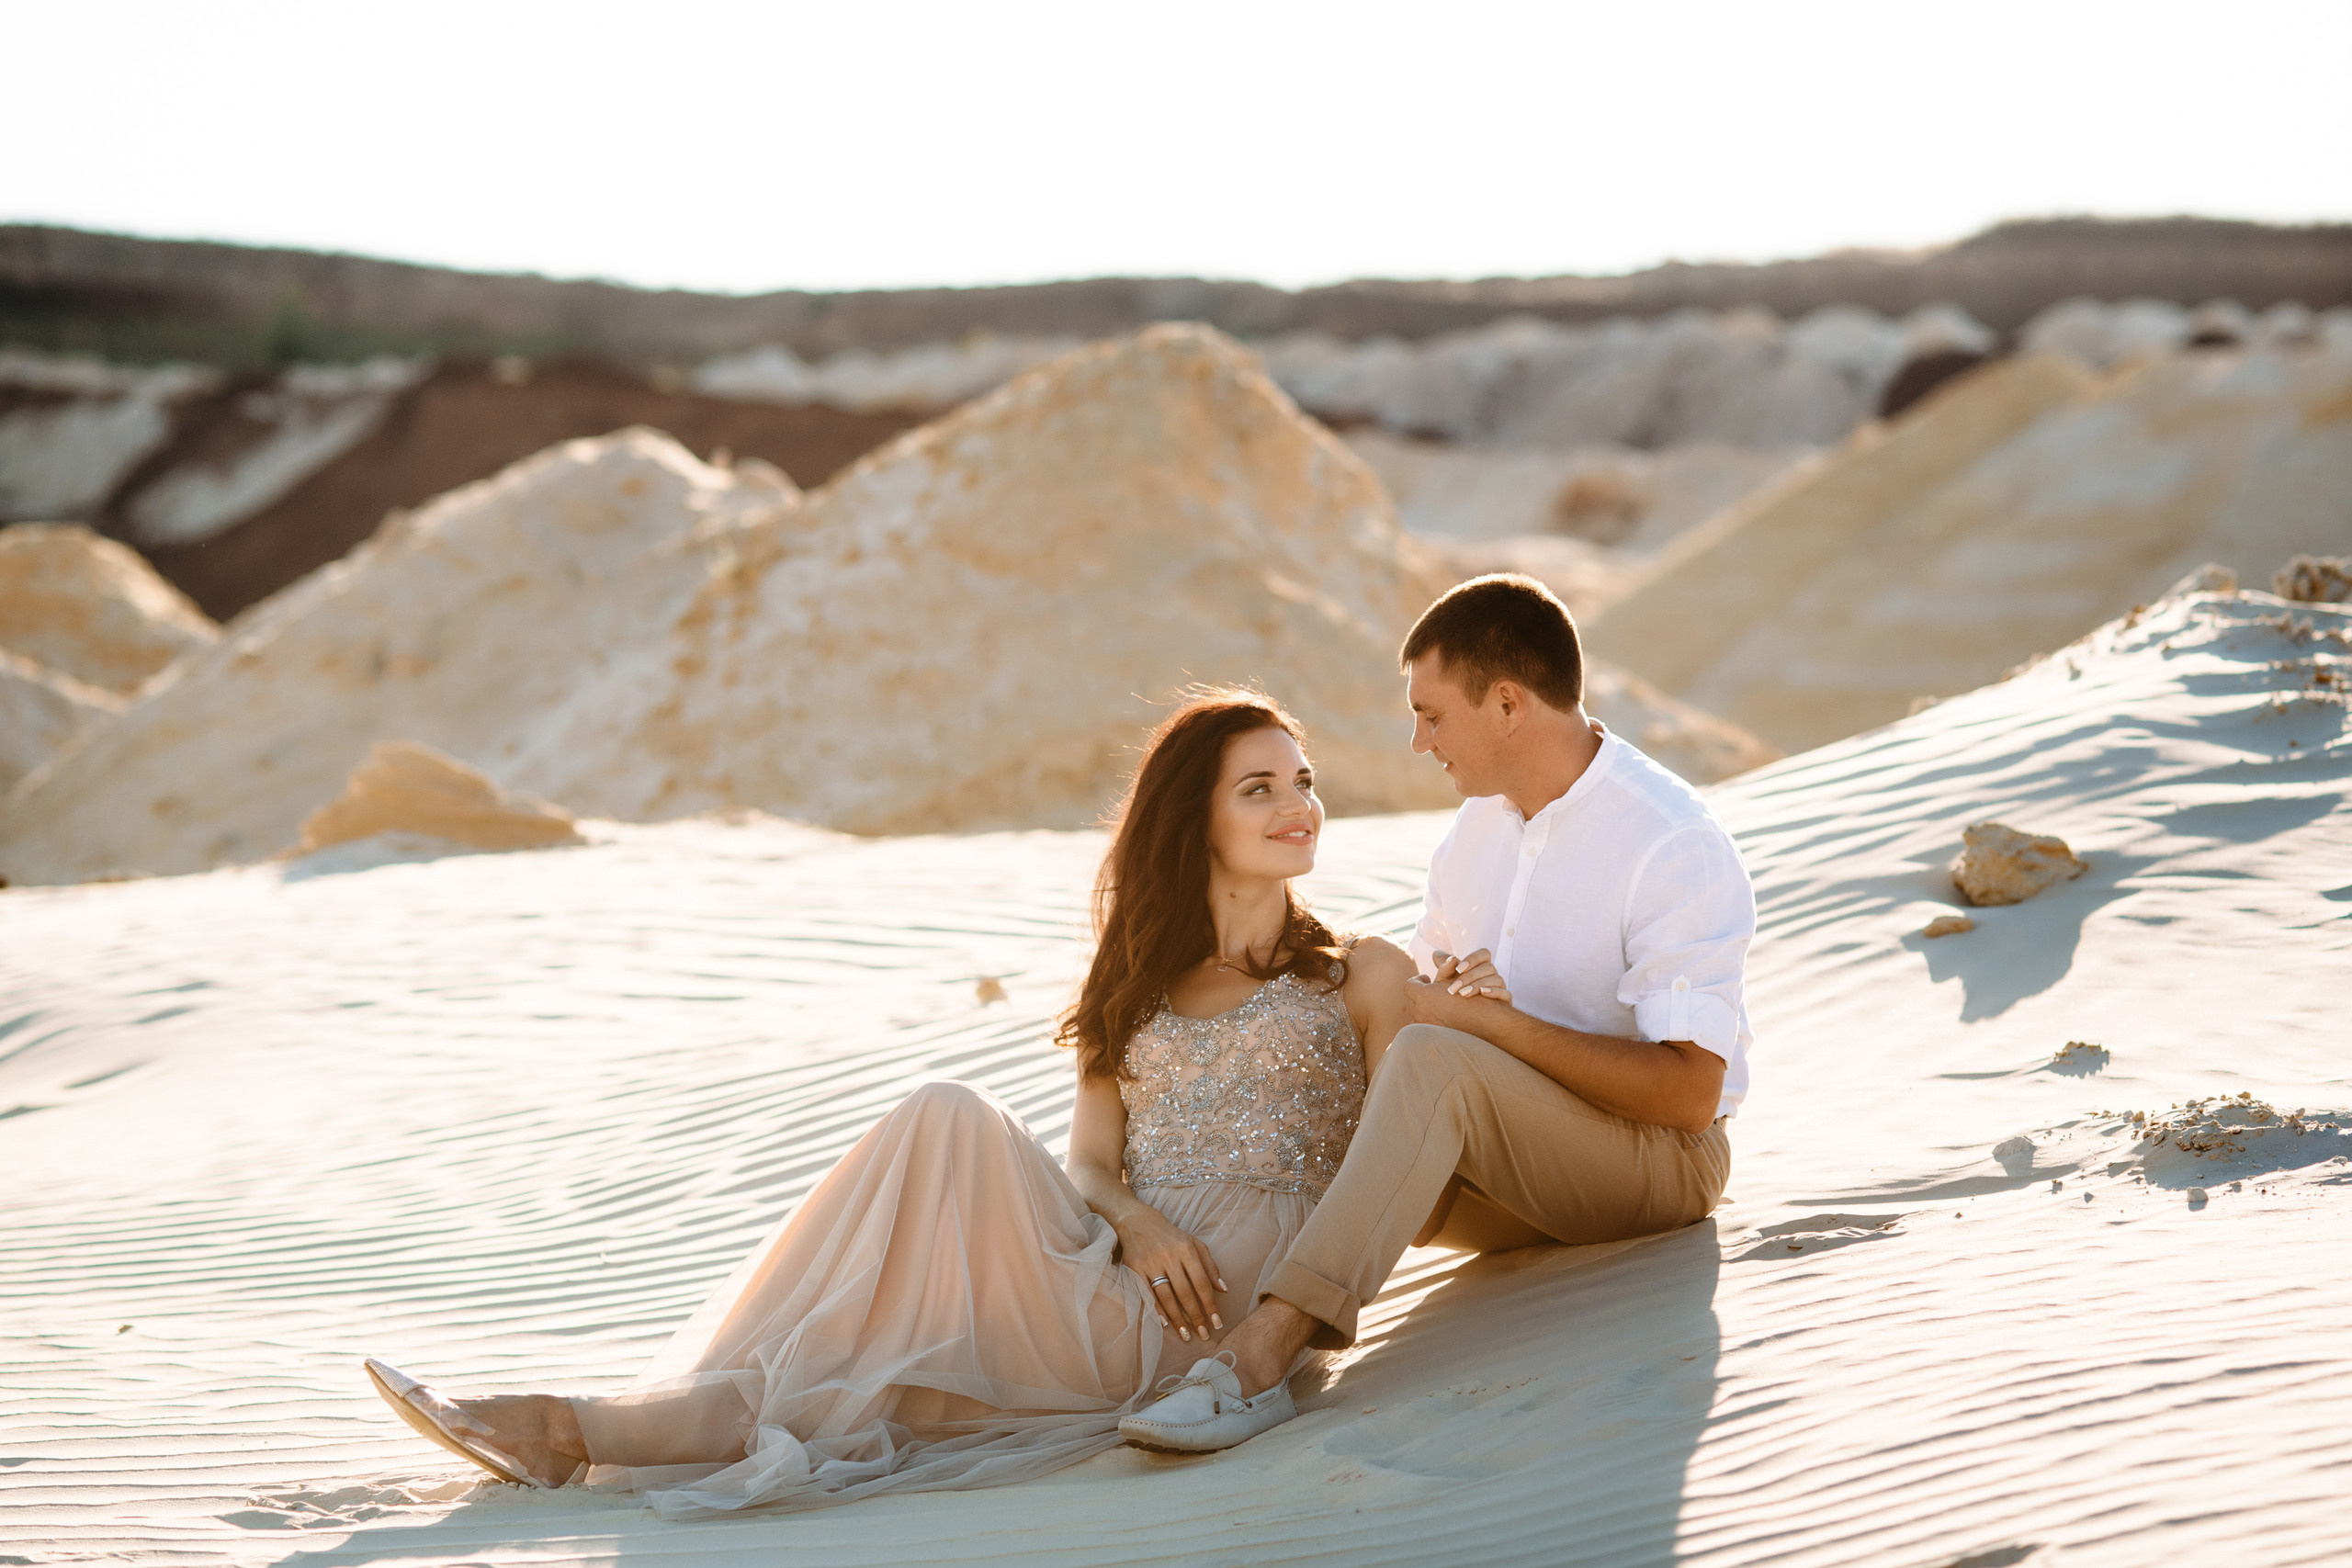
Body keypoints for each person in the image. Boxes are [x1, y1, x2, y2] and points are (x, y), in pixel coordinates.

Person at [365, 690, 1416, 1517]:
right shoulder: (1132, 984)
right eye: (1260, 788)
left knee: (876, 1347)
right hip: (1128, 1270)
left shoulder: (1356, 973)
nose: (1298, 807)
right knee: (940, 1130)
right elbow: (1091, 1164)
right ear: (1193, 820)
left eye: (1304, 781)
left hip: (1228, 1324)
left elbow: (1424, 1122)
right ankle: (576, 1427)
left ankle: (575, 1429)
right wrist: (1137, 1228)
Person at [1118, 574, 1748, 1453]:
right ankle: (1154, 1324)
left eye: (1432, 714)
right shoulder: (1473, 837)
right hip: (1513, 1166)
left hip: (1658, 1164)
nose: (1418, 741)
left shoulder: (1670, 839)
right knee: (1354, 1064)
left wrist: (1491, 1026)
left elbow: (1689, 1096)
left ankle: (1258, 1359)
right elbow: (1420, 1015)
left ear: (1506, 703)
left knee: (1430, 1061)